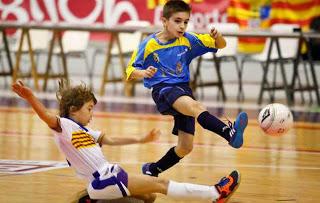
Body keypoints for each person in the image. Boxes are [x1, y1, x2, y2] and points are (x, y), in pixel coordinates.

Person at [12, 80, 240, 203]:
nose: (92, 114)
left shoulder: (83, 131)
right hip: (105, 178)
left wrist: (142, 139)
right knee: (160, 186)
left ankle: (92, 200)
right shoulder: (65, 126)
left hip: (104, 181)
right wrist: (31, 97)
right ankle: (215, 194)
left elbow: (110, 138)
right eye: (89, 109)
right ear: (73, 110)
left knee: (148, 198)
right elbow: (45, 117)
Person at [126, 0, 248, 178]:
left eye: (185, 21)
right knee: (197, 108)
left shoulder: (188, 40)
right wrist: (143, 72)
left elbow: (220, 45)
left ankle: (152, 170)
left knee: (185, 147)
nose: (182, 26)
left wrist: (217, 36)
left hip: (183, 90)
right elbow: (129, 71)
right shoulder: (149, 44)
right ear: (164, 21)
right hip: (163, 90)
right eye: (177, 21)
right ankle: (229, 134)